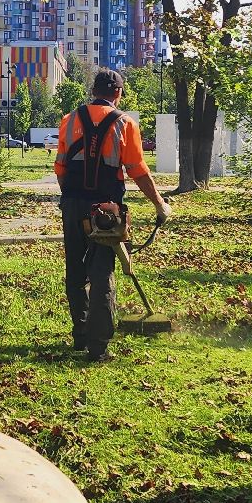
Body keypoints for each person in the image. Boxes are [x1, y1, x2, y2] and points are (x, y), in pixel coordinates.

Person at [53, 68, 170, 362]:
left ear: (93, 90)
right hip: (106, 212)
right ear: (118, 93)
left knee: (75, 271)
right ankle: (98, 346)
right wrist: (159, 204)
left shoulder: (69, 120)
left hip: (73, 206)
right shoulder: (125, 124)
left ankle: (80, 335)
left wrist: (70, 202)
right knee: (102, 271)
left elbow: (60, 169)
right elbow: (138, 171)